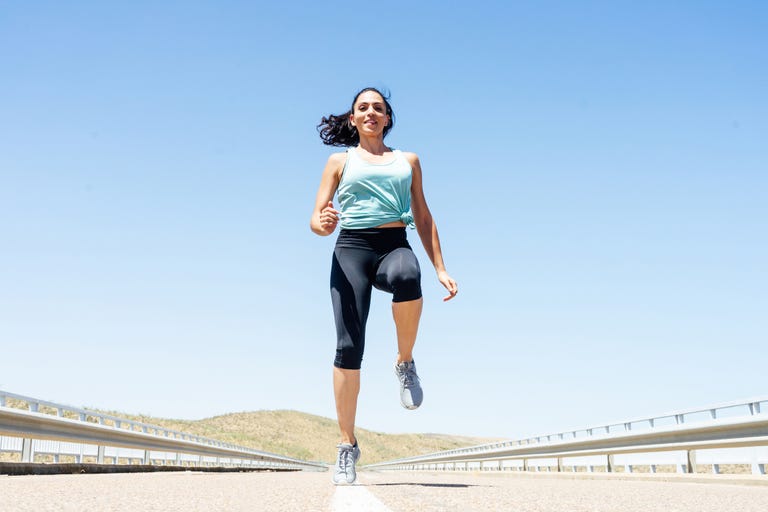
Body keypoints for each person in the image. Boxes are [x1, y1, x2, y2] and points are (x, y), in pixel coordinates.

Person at [310, 87, 458, 485]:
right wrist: (322, 224)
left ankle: (405, 363)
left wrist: (441, 268)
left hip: (394, 244)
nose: (371, 112)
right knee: (348, 347)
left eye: (378, 107)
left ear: (387, 118)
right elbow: (317, 216)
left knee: (409, 275)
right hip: (352, 249)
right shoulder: (338, 161)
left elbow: (423, 217)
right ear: (353, 119)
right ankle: (346, 445)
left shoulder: (408, 161)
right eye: (363, 108)